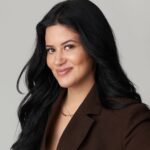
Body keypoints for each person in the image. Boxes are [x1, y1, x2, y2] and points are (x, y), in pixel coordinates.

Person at [11, 0, 150, 150]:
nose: (58, 60)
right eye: (51, 50)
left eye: (69, 46)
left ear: (94, 47)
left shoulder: (130, 119)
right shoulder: (40, 112)